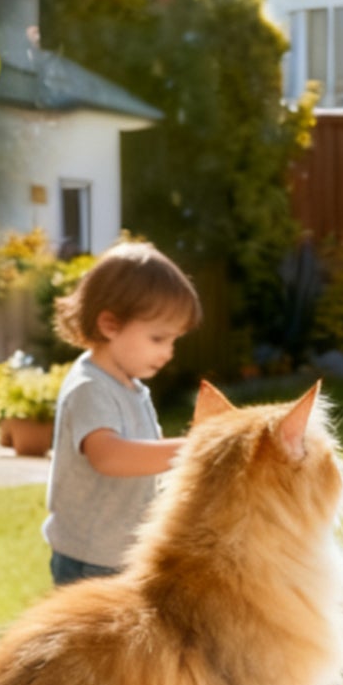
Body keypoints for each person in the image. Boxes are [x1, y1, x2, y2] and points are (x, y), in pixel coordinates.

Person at [42, 241, 202, 586]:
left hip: (122, 555)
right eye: (158, 339)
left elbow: (148, 466)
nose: (169, 353)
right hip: (90, 562)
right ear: (110, 324)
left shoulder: (130, 388)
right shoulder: (90, 387)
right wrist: (192, 449)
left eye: (174, 341)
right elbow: (109, 456)